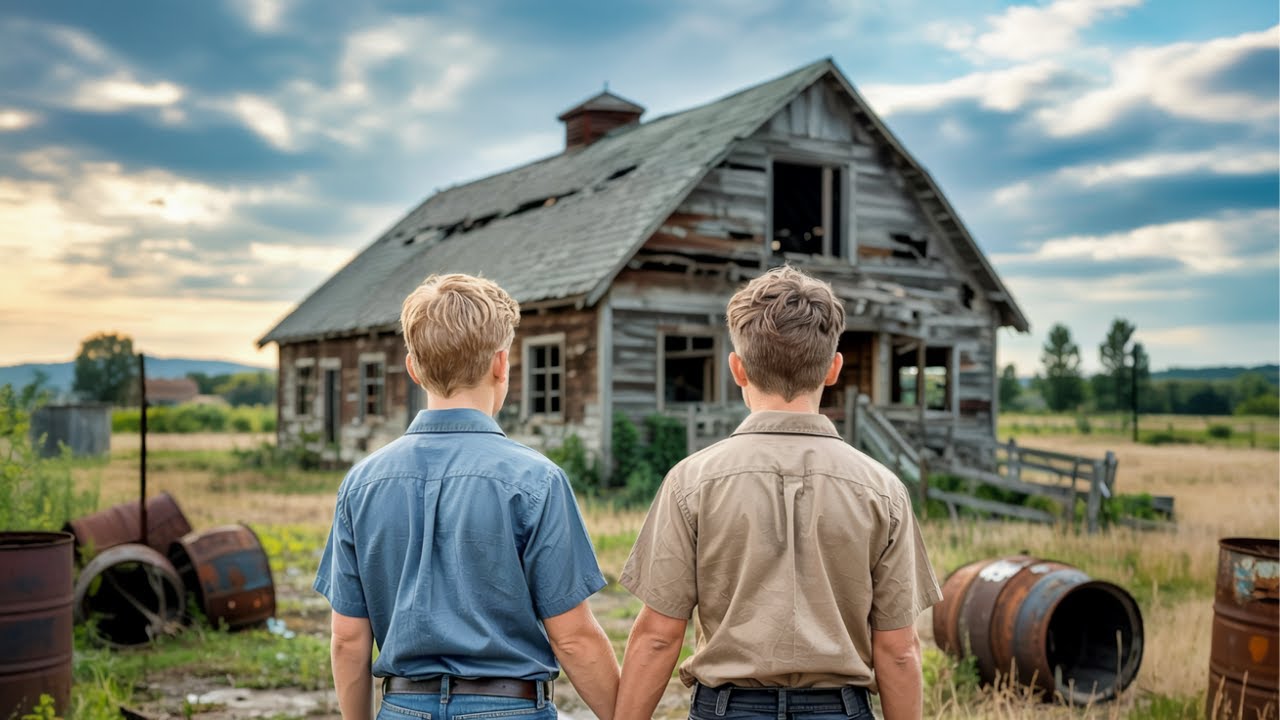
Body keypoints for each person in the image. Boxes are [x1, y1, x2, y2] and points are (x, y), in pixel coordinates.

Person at [614, 266, 942, 720]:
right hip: (840, 709)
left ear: (737, 369)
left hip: (728, 709)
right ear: (833, 369)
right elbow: (899, 649)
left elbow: (658, 635)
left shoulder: (691, 481)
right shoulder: (882, 490)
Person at [314, 273, 619, 720]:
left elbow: (347, 639)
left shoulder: (361, 483)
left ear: (414, 368)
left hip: (402, 706)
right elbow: (572, 637)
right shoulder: (536, 479)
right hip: (508, 708)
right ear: (501, 364)